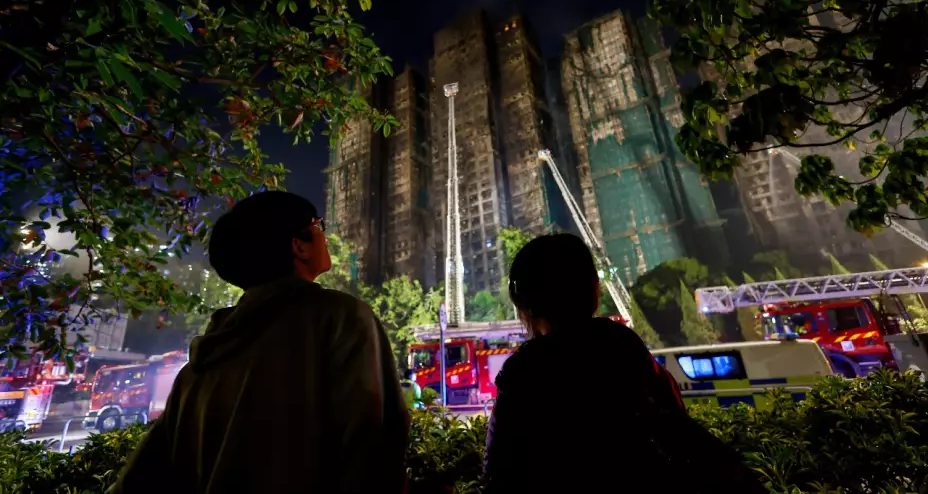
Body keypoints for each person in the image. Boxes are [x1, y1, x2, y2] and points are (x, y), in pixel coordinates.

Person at [108, 191, 409, 494]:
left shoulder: (200, 367)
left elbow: (140, 479)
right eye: (320, 225)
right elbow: (374, 448)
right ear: (299, 246)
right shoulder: (339, 319)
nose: (325, 235)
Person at [482, 233, 766, 494]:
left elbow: (499, 472)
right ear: (594, 288)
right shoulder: (619, 344)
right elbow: (672, 417)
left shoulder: (525, 370)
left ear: (524, 303)